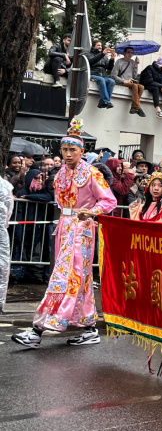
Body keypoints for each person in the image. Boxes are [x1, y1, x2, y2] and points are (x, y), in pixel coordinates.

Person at [12, 119, 116, 348]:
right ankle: (88, 327)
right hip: (65, 228)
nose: (68, 154)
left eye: (73, 150)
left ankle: (38, 329)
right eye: (65, 150)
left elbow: (109, 200)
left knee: (67, 277)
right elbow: (59, 202)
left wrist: (92, 212)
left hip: (82, 229)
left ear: (82, 151)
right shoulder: (60, 174)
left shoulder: (91, 173)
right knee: (74, 278)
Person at [111, 47, 146, 117]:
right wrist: (124, 81)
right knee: (135, 86)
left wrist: (136, 65)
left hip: (131, 82)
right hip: (122, 82)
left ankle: (134, 106)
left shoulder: (132, 62)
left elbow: (135, 76)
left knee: (141, 87)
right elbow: (113, 75)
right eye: (128, 52)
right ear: (124, 53)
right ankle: (138, 107)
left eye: (132, 53)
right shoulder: (119, 61)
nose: (130, 54)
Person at [85, 40, 116, 109]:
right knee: (101, 80)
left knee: (112, 81)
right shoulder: (89, 54)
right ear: (93, 46)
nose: (100, 47)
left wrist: (112, 59)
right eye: (98, 45)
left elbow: (109, 68)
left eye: (101, 46)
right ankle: (106, 101)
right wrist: (102, 54)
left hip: (103, 75)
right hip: (93, 74)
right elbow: (91, 62)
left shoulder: (104, 57)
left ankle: (102, 101)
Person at [0, 177, 13, 313]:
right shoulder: (5, 186)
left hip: (1, 230)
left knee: (2, 265)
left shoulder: (5, 186)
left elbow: (8, 210)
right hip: (1, 229)